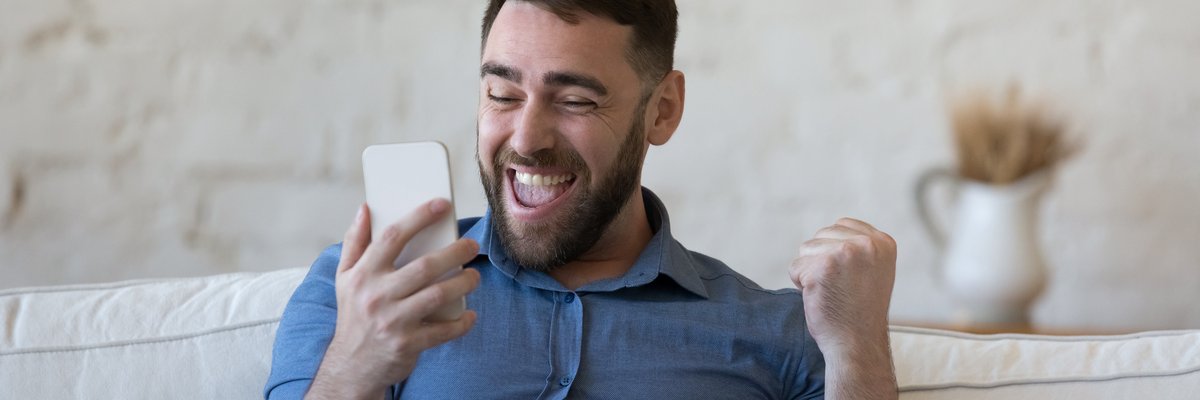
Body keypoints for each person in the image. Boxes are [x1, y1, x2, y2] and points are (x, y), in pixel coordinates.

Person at [265, 1, 898, 399]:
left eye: (575, 101)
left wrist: (858, 347)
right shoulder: (360, 292)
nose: (526, 139)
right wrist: (356, 366)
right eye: (503, 95)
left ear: (663, 111)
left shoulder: (779, 332)